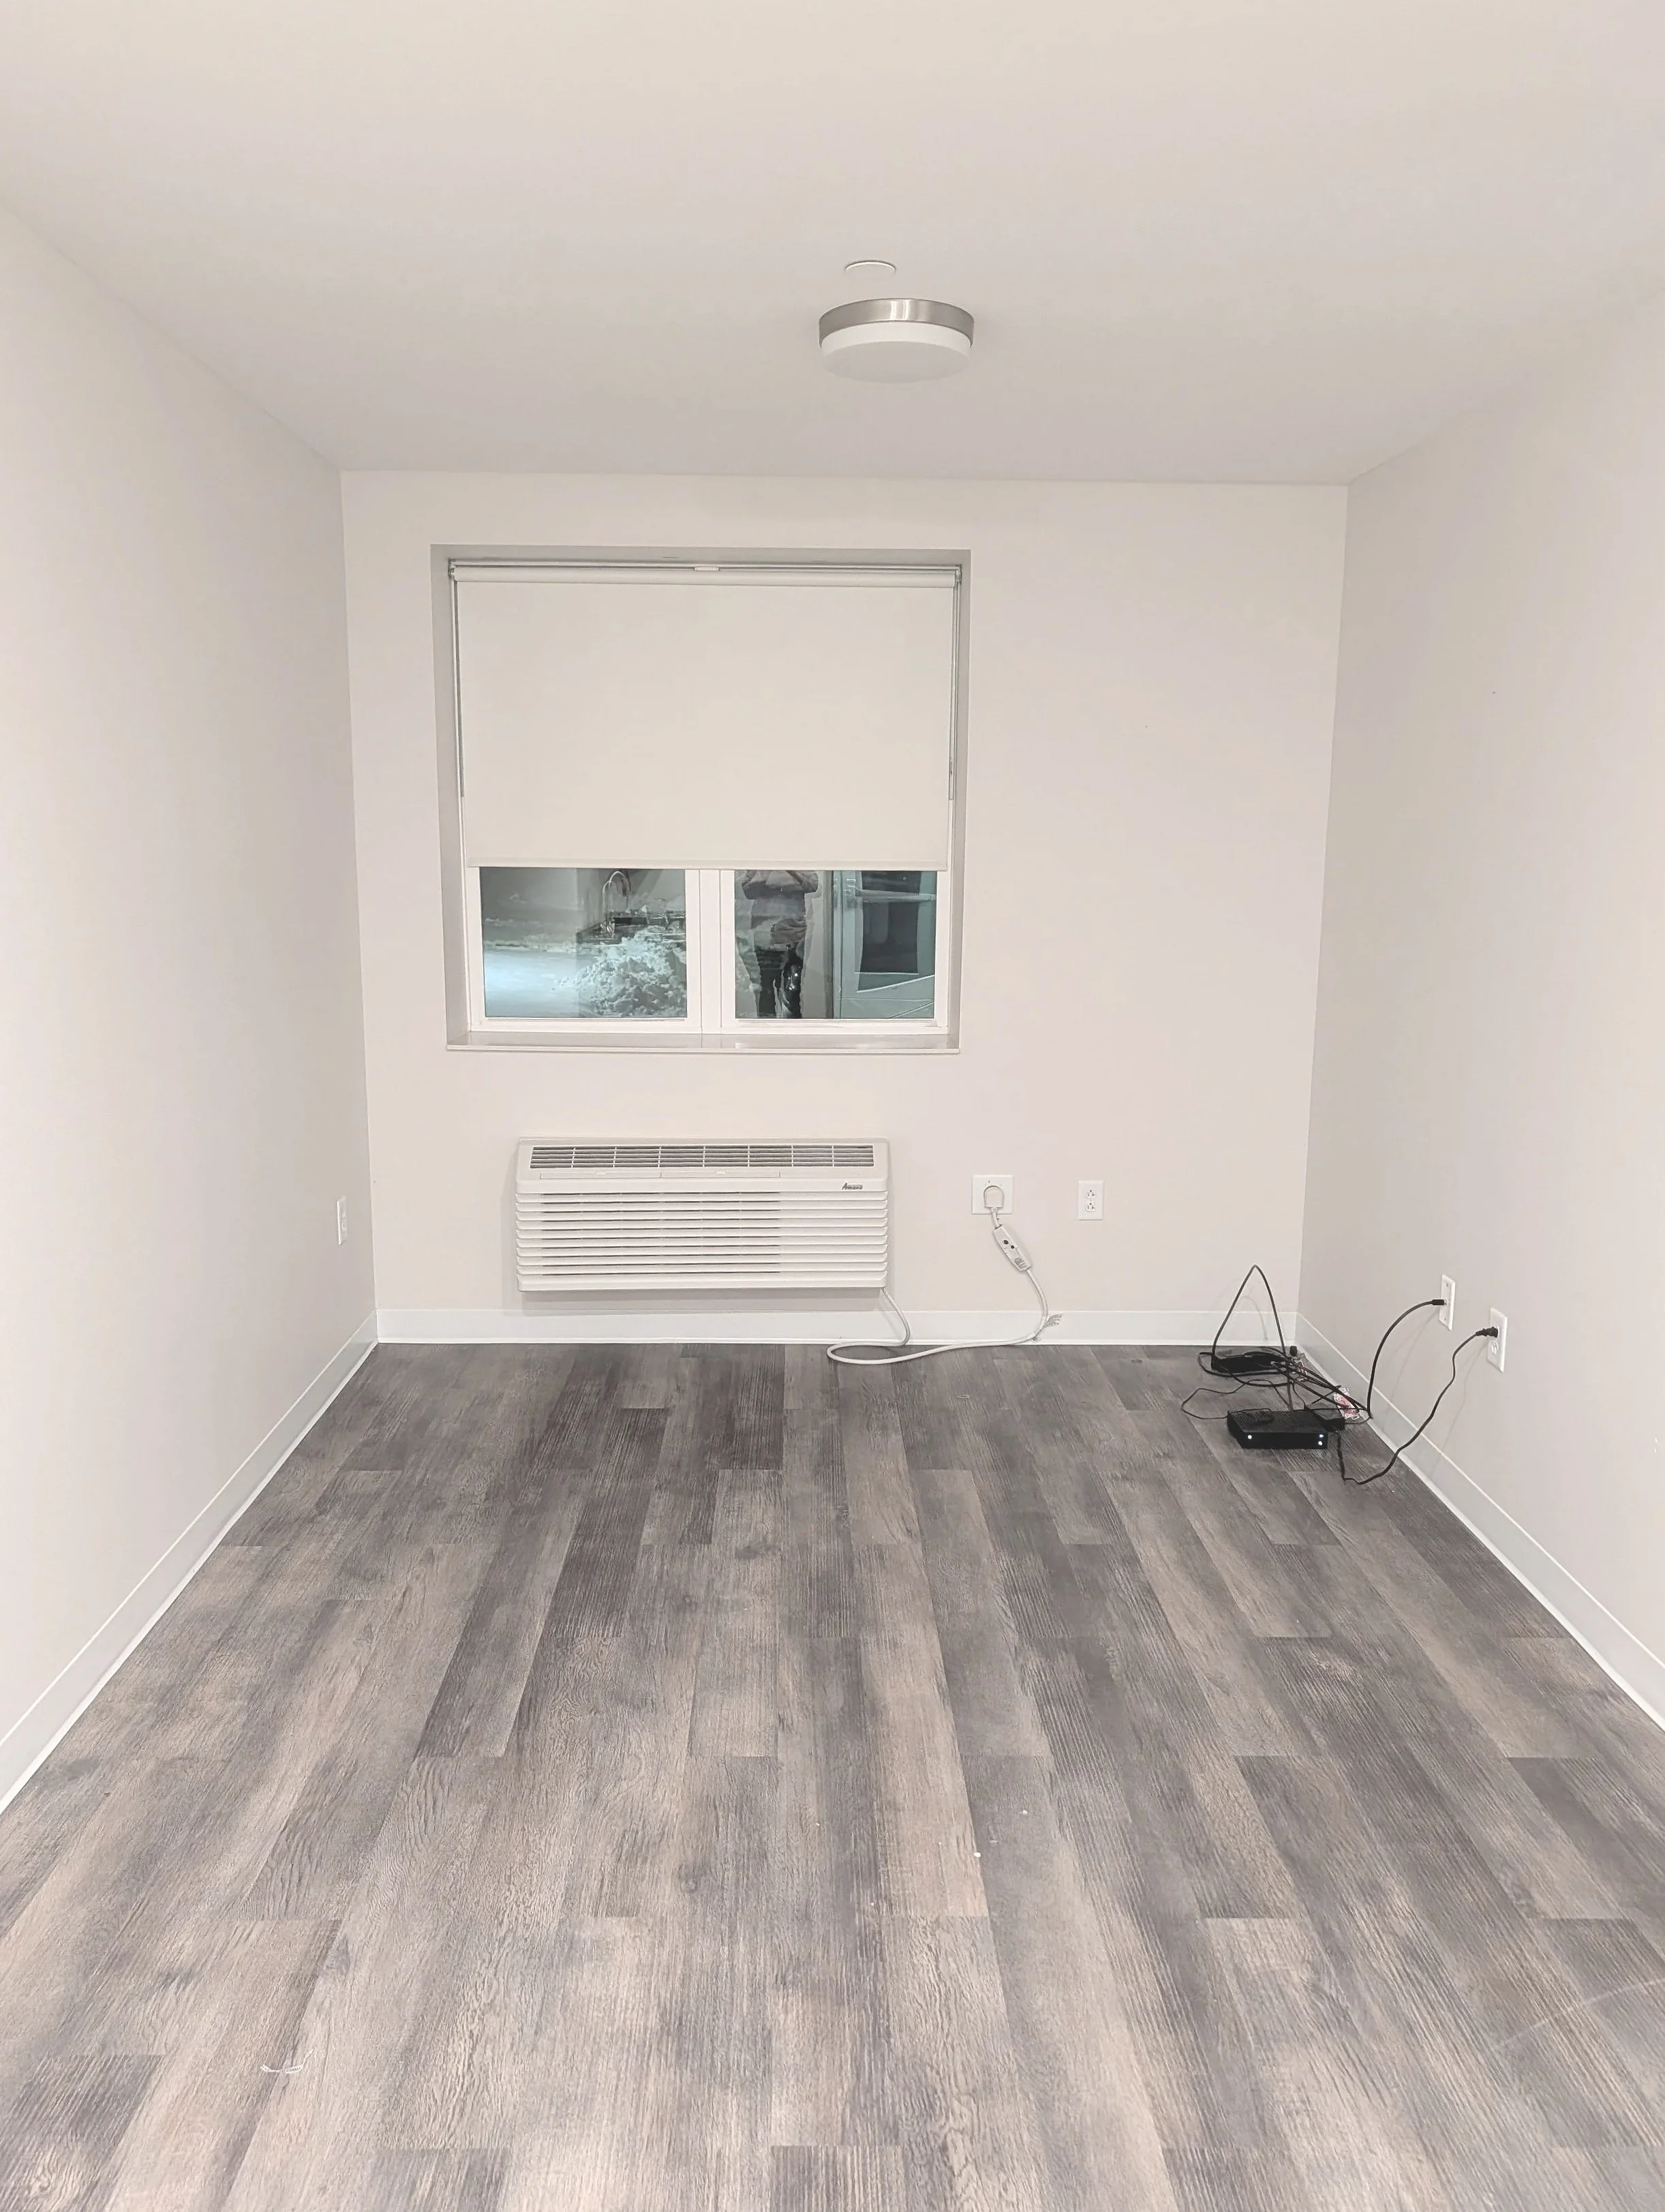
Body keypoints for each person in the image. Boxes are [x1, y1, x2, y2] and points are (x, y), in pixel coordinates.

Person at [739, 870, 820, 1016]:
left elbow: (813, 885)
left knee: (793, 990)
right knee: (766, 988)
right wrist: (769, 868)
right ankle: (766, 1034)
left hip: (794, 931)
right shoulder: (761, 859)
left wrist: (789, 868)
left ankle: (792, 1034)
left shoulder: (797, 857)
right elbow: (748, 891)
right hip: (765, 933)